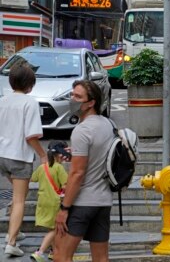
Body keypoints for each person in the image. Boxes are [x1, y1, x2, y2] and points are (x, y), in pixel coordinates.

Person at [54, 80, 115, 262]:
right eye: (72, 95)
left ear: (91, 102)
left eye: (78, 97)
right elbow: (99, 156)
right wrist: (76, 155)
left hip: (82, 203)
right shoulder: (108, 124)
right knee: (101, 258)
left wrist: (64, 208)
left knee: (60, 255)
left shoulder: (82, 131)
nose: (73, 99)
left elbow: (77, 174)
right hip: (103, 201)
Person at [0, 64, 47, 257]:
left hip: (1, 155)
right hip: (19, 157)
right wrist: (43, 155)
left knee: (18, 194)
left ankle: (15, 230)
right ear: (30, 84)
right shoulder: (29, 102)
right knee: (20, 199)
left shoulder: (2, 100)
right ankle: (11, 242)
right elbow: (31, 136)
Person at [30, 141, 69, 262]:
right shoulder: (59, 168)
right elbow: (66, 184)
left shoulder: (42, 167)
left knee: (52, 228)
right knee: (54, 229)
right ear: (59, 155)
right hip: (54, 203)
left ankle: (53, 251)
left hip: (42, 202)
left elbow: (33, 178)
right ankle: (40, 252)